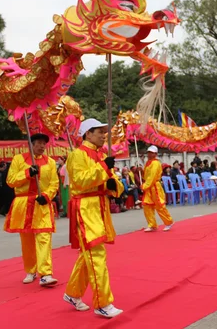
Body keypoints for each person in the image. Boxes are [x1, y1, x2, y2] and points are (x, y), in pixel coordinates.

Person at [63, 118, 124, 318]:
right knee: (96, 254)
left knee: (88, 254)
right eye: (100, 131)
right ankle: (103, 303)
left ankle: (73, 293)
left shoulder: (101, 155)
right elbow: (80, 182)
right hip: (85, 208)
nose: (103, 135)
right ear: (87, 134)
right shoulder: (76, 155)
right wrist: (103, 168)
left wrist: (115, 186)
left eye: (105, 132)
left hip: (99, 207)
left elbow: (111, 180)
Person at [4, 134, 59, 286]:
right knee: (27, 240)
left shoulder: (51, 162)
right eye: (39, 143)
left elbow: (54, 183)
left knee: (44, 237)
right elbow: (10, 181)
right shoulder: (18, 160)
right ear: (31, 144)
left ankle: (46, 273)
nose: (42, 146)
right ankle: (31, 270)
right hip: (23, 204)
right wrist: (27, 174)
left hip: (41, 204)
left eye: (44, 144)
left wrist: (47, 196)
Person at [141, 145, 174, 232]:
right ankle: (152, 224)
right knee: (147, 205)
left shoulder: (155, 163)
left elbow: (152, 177)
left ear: (155, 154)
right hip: (149, 187)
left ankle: (168, 222)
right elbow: (146, 176)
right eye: (149, 152)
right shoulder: (148, 163)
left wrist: (144, 186)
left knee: (159, 205)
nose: (149, 154)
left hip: (154, 187)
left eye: (151, 153)